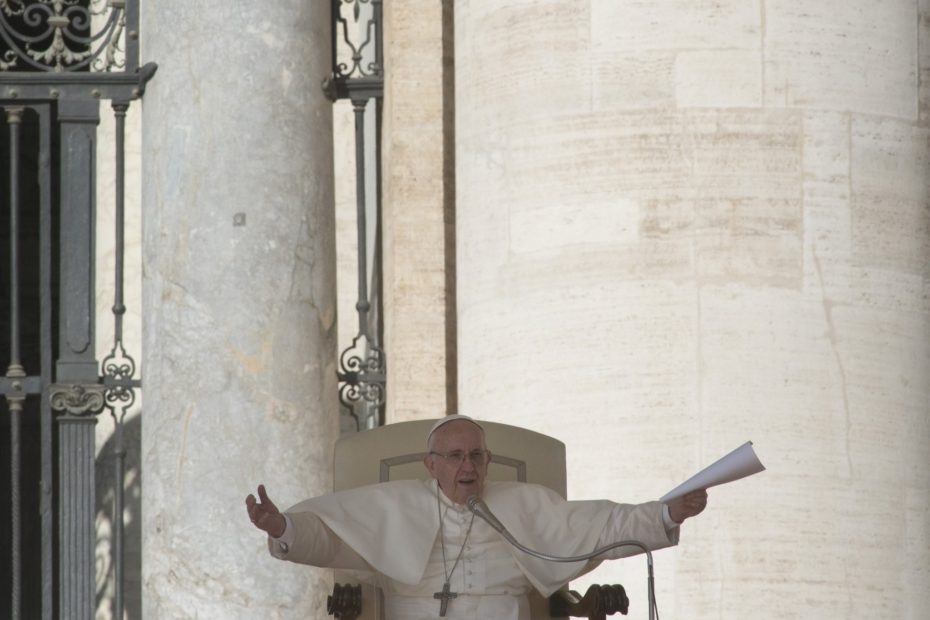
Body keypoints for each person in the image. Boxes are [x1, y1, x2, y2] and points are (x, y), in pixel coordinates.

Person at [246, 415, 708, 619]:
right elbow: (330, 534)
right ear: (431, 465)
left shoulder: (524, 504)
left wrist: (666, 512)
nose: (467, 467)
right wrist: (282, 527)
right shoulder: (392, 505)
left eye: (476, 456)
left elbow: (603, 525)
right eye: (454, 457)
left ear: (487, 460)